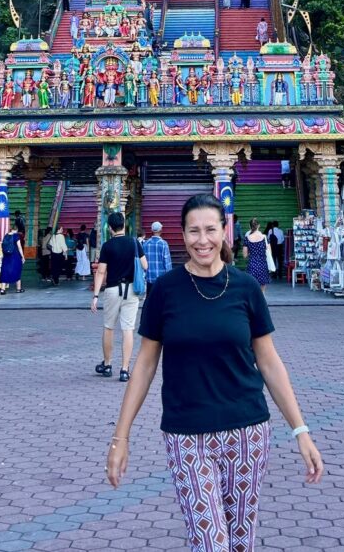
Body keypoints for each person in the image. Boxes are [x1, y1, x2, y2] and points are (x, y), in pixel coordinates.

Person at [105, 193, 323, 548]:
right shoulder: (165, 291)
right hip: (187, 435)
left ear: (225, 232)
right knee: (211, 541)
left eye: (210, 230)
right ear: (182, 235)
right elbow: (144, 365)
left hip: (248, 433)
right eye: (193, 231)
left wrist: (301, 430)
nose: (202, 240)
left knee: (240, 541)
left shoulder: (246, 289)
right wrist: (121, 437)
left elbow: (268, 362)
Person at [91, 211, 146, 382]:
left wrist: (95, 296)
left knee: (109, 327)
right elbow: (145, 265)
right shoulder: (134, 242)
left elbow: (101, 272)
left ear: (110, 227)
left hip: (113, 289)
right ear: (124, 224)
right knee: (128, 329)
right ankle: (124, 369)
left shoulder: (108, 246)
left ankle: (107, 365)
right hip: (131, 290)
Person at [142, 220, 172, 296]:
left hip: (149, 279)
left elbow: (143, 263)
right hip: (161, 280)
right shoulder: (163, 244)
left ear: (151, 230)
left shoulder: (146, 244)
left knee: (150, 302)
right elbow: (167, 264)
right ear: (161, 230)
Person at [242, 218, 271, 291]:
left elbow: (244, 255)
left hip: (252, 266)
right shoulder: (265, 237)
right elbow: (269, 253)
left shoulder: (247, 238)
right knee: (262, 292)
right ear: (259, 226)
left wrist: (251, 251)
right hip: (262, 265)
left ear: (250, 226)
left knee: (252, 290)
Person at [0, 225, 24, 294]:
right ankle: (18, 289)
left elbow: (3, 246)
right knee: (17, 271)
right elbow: (19, 247)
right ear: (16, 230)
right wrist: (22, 256)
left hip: (6, 256)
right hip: (15, 256)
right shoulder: (16, 236)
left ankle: (2, 289)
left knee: (5, 272)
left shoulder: (6, 236)